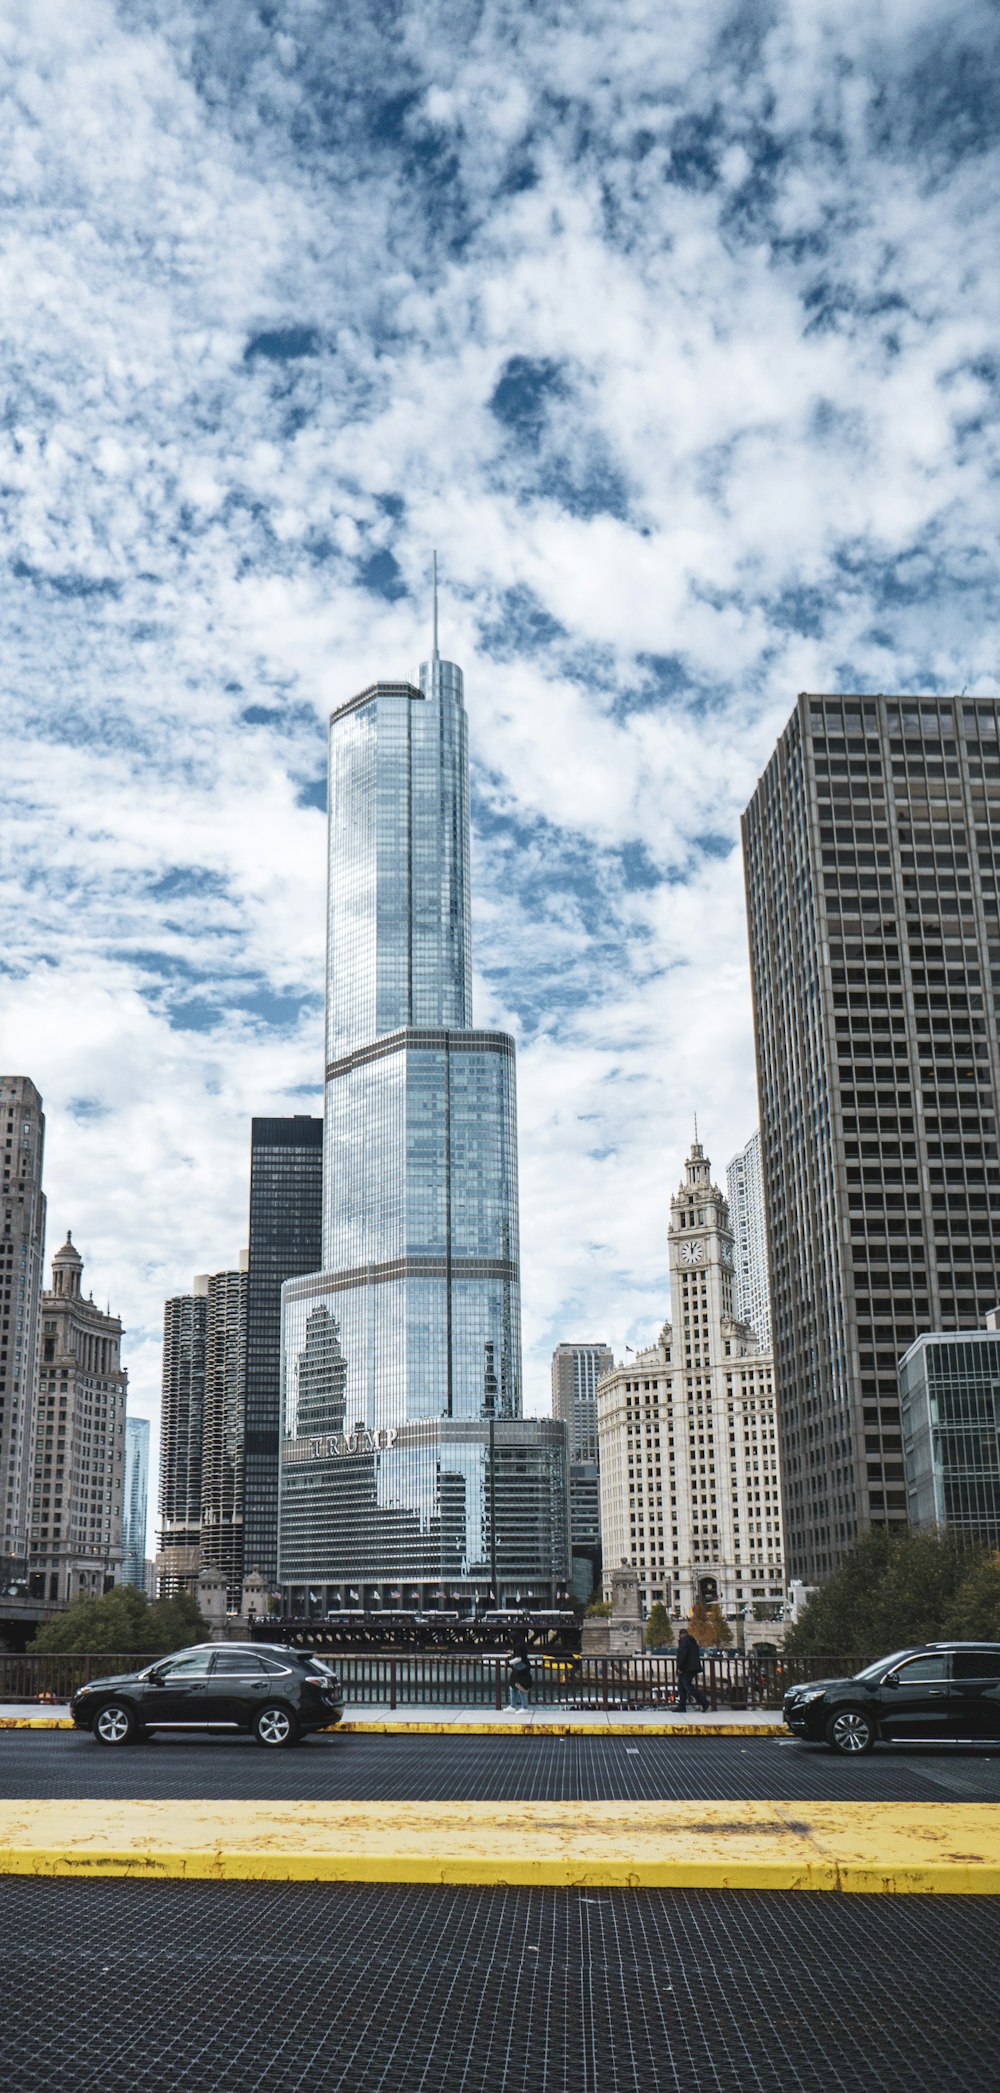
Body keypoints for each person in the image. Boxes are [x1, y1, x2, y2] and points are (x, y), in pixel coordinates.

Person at [676, 1624, 708, 1714]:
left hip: (687, 1668)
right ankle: (682, 1706)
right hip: (692, 1667)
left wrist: (679, 1667)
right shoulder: (691, 1641)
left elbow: (683, 1654)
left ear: (681, 1634)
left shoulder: (684, 1641)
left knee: (687, 1687)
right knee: (681, 1687)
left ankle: (704, 1702)